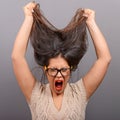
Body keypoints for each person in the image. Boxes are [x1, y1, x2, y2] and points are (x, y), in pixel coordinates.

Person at [11, 1, 111, 120]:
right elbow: (17, 57)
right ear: (45, 69)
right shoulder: (35, 94)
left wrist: (90, 22)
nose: (59, 75)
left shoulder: (79, 93)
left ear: (71, 68)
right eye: (53, 69)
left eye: (64, 69)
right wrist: (28, 18)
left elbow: (105, 59)